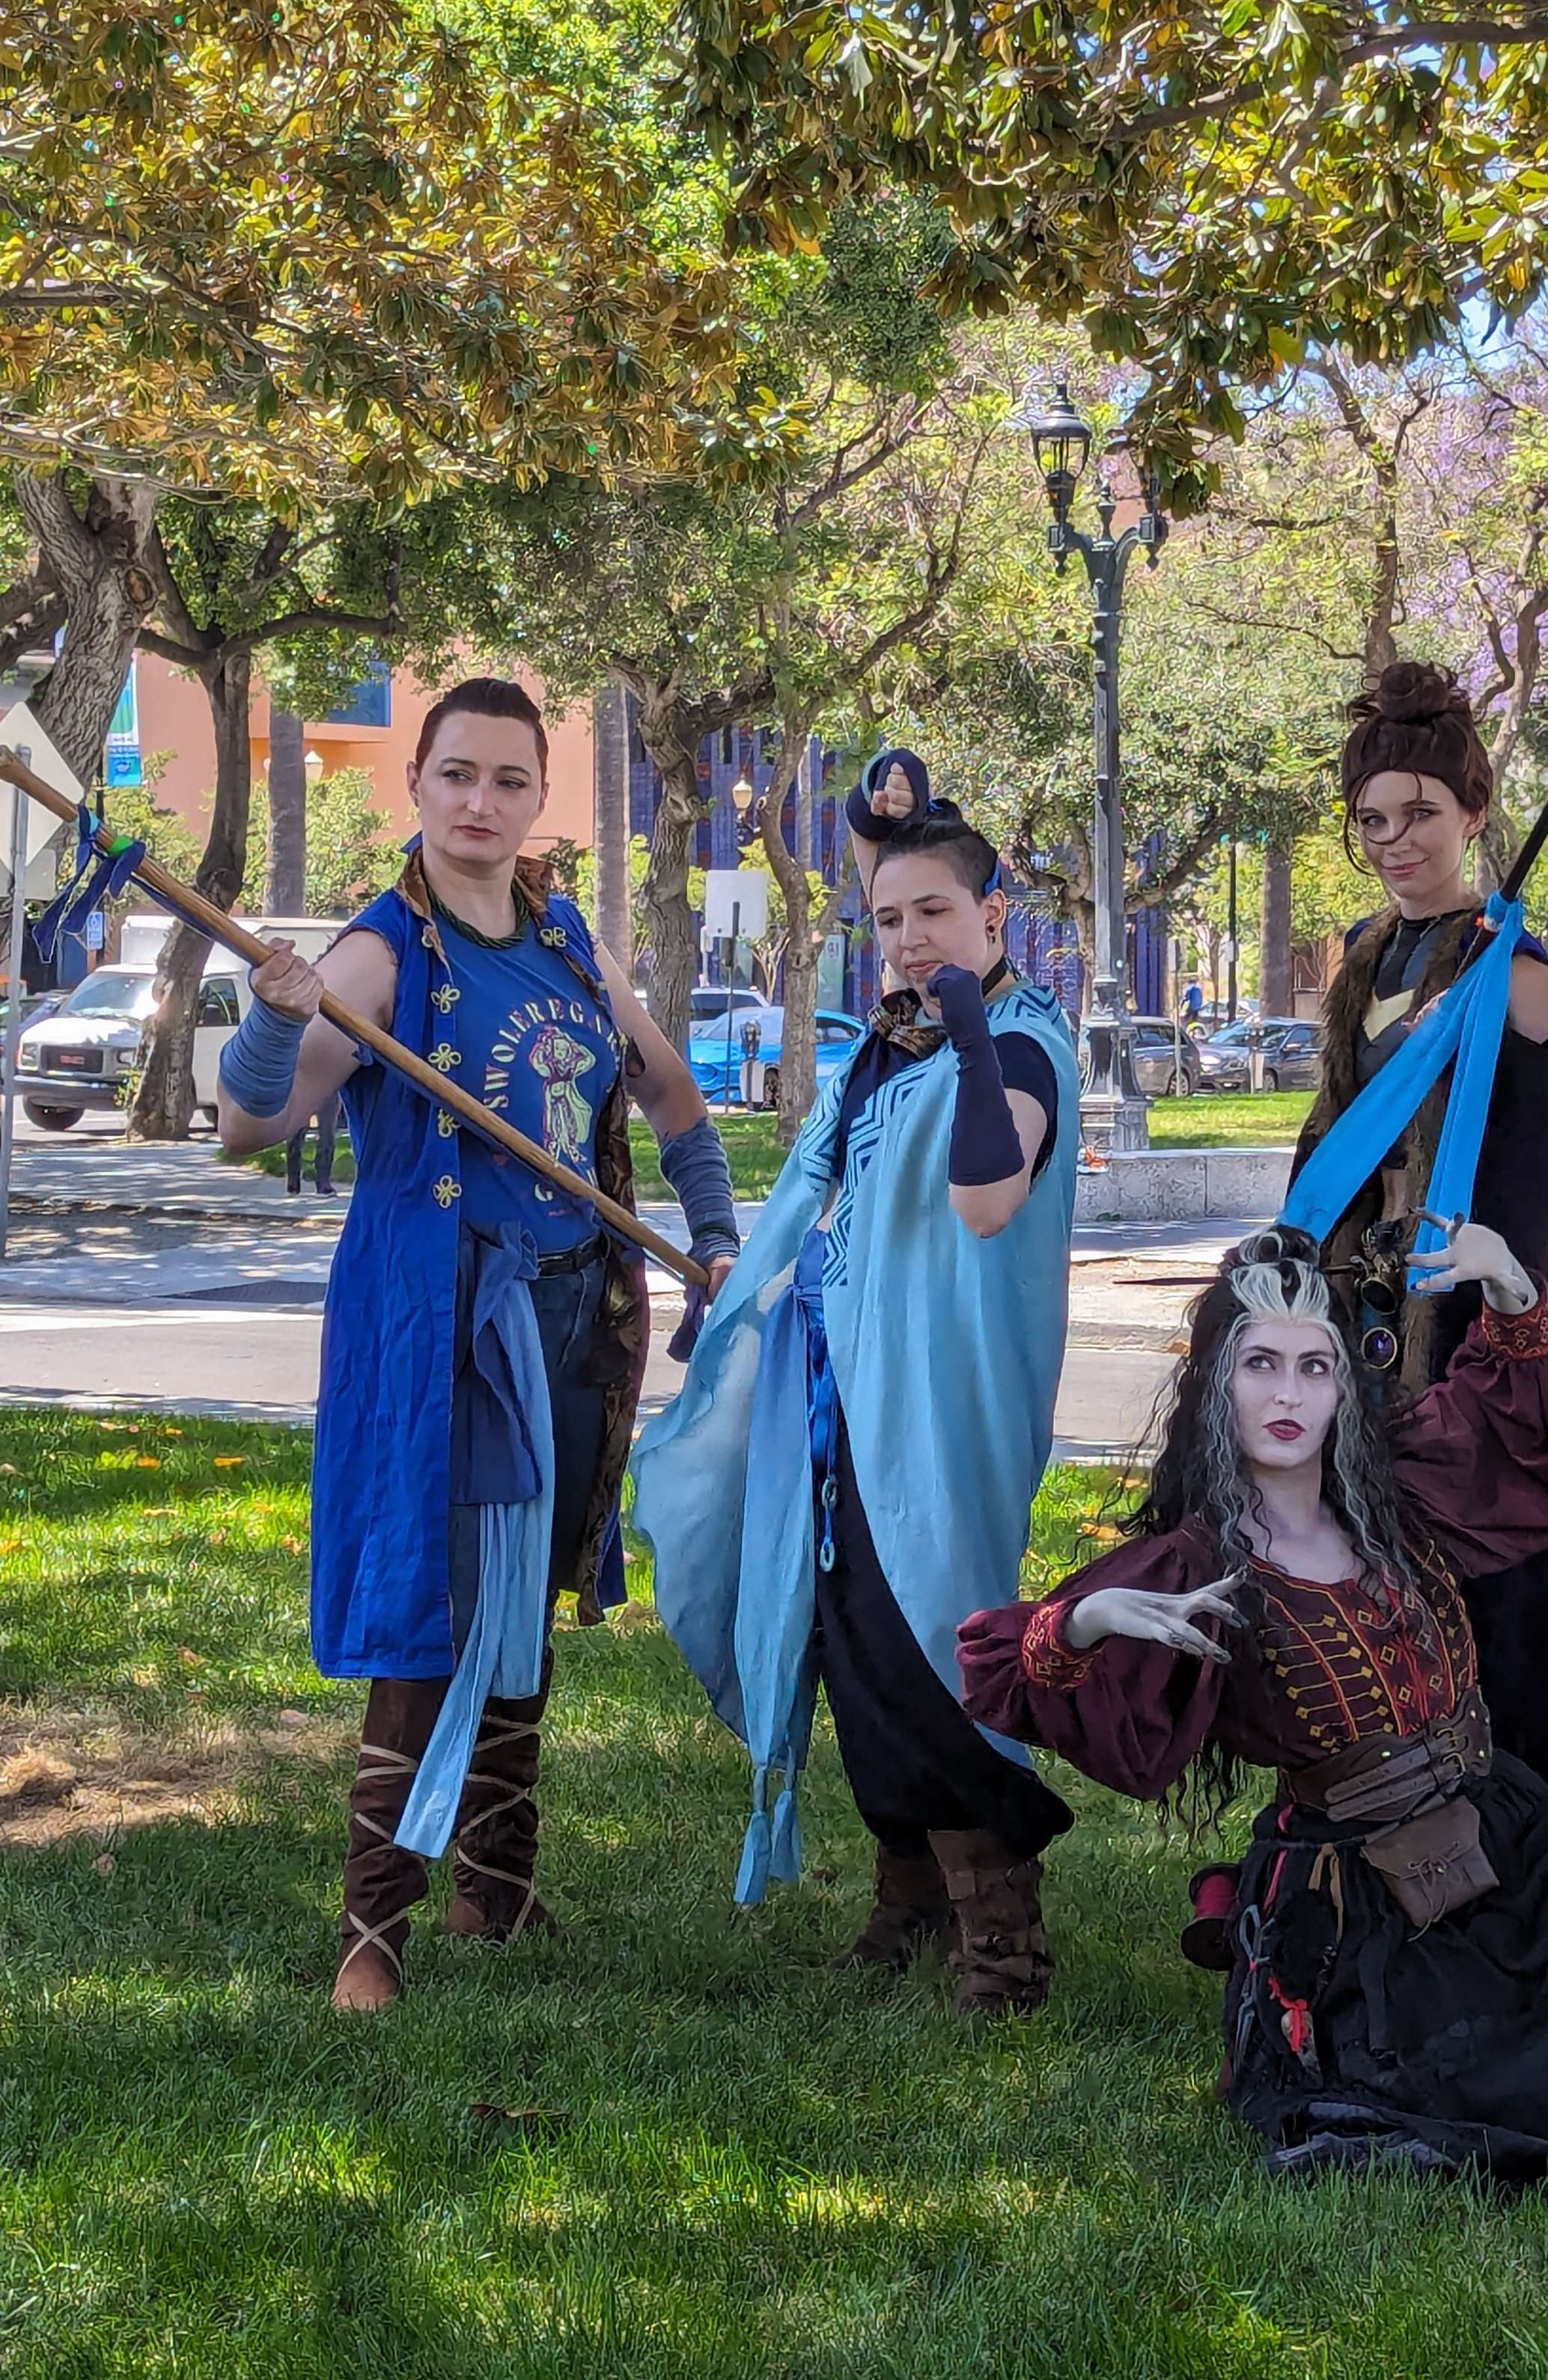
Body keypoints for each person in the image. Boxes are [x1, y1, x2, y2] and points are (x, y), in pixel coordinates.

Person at [960, 1221, 1548, 2187]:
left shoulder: (1398, 1498)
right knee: (1483, 2054)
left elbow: (1511, 1431)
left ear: (1346, 1387)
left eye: (1313, 1367)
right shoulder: (1199, 1568)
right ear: (1217, 1381)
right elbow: (1010, 1672)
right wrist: (1084, 1622)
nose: (1287, 1396)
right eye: (1260, 1365)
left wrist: (1508, 1283)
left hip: (1498, 1831)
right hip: (1363, 1895)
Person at [216, 678, 742, 2012]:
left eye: (509, 780)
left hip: (568, 1315)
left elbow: (671, 1095)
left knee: (523, 1600)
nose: (481, 803)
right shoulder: (382, 954)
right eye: (457, 775)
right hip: (448, 1329)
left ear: (538, 794)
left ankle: (495, 1894)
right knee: (433, 1609)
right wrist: (280, 1017)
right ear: (417, 785)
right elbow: (248, 1129)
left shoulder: (568, 939)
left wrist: (718, 1231)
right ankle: (369, 1938)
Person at [632, 750, 1083, 2015]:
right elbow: (823, 1211)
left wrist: (979, 1027)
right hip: (835, 1394)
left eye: (934, 911)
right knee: (851, 1638)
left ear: (995, 915)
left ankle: (1002, 1928)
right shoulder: (883, 1049)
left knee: (931, 1640)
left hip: (943, 1403)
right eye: (887, 919)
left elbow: (988, 1202)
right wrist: (755, 1288)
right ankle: (915, 1896)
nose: (907, 938)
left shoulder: (1026, 1041)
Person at [1290, 662, 1548, 1791]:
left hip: (1481, 1346)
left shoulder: (1513, 971)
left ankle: (1514, 1875)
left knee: (1494, 1628)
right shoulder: (1365, 964)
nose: (1396, 840)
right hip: (1360, 1337)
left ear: (1475, 815)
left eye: (1420, 814)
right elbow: (1326, 1145)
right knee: (1374, 1628)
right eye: (1372, 820)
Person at [284, 1087, 342, 1197]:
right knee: (295, 1136)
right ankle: (293, 1180)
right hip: (304, 1088)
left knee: (327, 1135)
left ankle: (323, 1181)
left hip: (330, 1089)